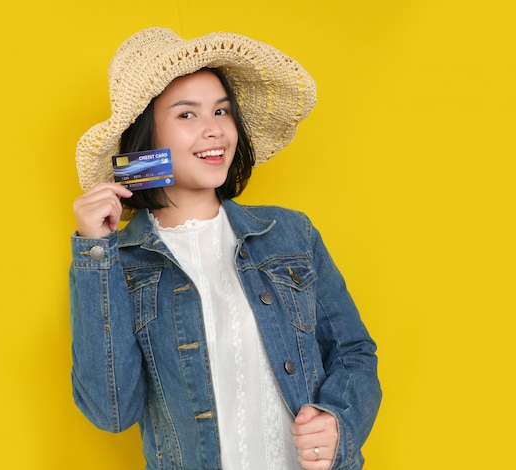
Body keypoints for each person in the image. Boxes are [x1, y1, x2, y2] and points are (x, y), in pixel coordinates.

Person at [70, 27, 381, 470]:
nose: (214, 130)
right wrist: (95, 254)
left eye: (221, 111)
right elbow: (111, 411)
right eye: (186, 115)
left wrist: (337, 420)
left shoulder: (291, 234)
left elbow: (353, 352)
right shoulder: (121, 264)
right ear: (147, 139)